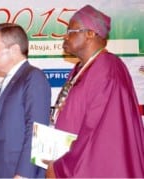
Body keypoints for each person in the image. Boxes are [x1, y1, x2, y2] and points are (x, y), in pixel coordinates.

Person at [45, 5, 144, 177]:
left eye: (71, 31)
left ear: (90, 33)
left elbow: (98, 135)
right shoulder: (82, 67)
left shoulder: (108, 69)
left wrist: (62, 168)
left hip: (91, 169)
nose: (65, 36)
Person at [0, 23, 51, 178]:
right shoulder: (9, 80)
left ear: (14, 50)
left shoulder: (33, 77)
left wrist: (24, 174)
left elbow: (37, 131)